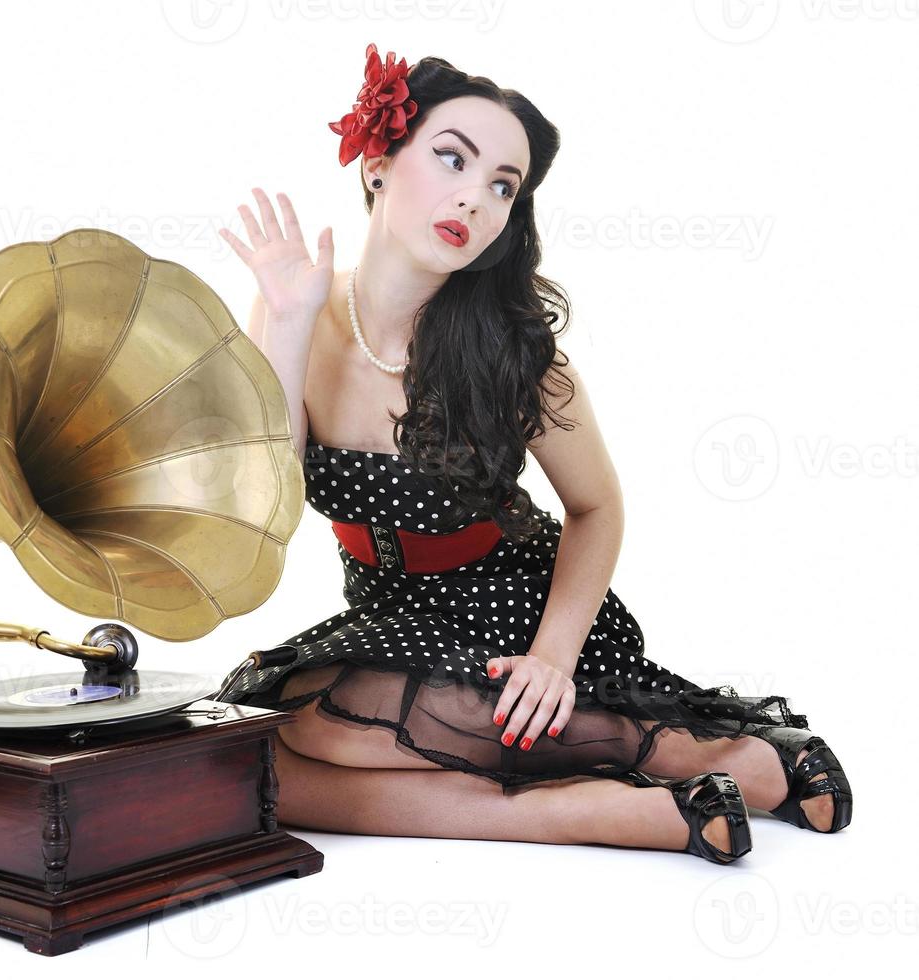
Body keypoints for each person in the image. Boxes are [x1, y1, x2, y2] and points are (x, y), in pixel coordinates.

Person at [216, 42, 852, 864]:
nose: (475, 200)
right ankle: (627, 809)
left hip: (508, 604)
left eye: (501, 188)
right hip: (391, 615)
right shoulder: (289, 308)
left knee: (335, 720)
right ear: (377, 162)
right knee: (259, 761)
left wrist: (552, 658)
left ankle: (684, 755)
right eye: (452, 159)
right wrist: (292, 319)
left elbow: (598, 507)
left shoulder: (518, 355)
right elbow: (260, 505)